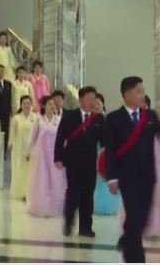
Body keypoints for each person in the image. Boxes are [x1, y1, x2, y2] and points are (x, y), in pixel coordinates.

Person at [101, 76, 160, 262]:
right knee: (134, 215)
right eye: (139, 91)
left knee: (142, 218)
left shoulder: (150, 116)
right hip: (127, 178)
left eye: (143, 91)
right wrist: (112, 178)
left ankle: (127, 236)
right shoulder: (113, 119)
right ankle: (136, 258)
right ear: (127, 94)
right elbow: (110, 151)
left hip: (148, 177)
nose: (143, 94)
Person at [119, 95, 160, 240]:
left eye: (144, 104)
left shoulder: (152, 121)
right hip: (134, 167)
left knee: (156, 196)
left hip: (156, 166)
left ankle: (155, 228)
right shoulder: (129, 122)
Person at [54, 86, 102, 238]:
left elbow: (105, 138)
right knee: (73, 195)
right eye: (89, 99)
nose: (92, 102)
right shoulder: (70, 116)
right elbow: (60, 138)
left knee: (88, 196)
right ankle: (68, 225)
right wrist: (58, 157)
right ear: (81, 100)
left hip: (90, 164)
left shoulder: (98, 118)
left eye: (94, 99)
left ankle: (86, 228)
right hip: (73, 163)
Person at [26, 96, 65, 217]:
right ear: (44, 106)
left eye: (53, 104)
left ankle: (55, 207)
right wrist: (28, 152)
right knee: (42, 180)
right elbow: (32, 137)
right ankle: (41, 206)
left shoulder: (59, 120)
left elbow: (64, 138)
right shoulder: (39, 121)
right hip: (41, 155)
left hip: (55, 155)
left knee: (56, 180)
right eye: (49, 104)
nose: (52, 106)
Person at [93, 94, 120, 216]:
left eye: (98, 103)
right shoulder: (89, 120)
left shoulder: (109, 118)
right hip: (93, 151)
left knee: (106, 177)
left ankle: (109, 204)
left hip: (105, 152)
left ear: (103, 104)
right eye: (94, 104)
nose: (96, 106)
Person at [9, 95, 37, 200]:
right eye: (24, 103)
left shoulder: (36, 118)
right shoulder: (16, 118)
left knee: (31, 170)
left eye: (28, 103)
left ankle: (30, 193)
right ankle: (20, 193)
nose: (26, 105)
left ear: (31, 104)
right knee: (19, 169)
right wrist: (11, 144)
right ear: (21, 105)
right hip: (19, 148)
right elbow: (12, 133)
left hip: (32, 148)